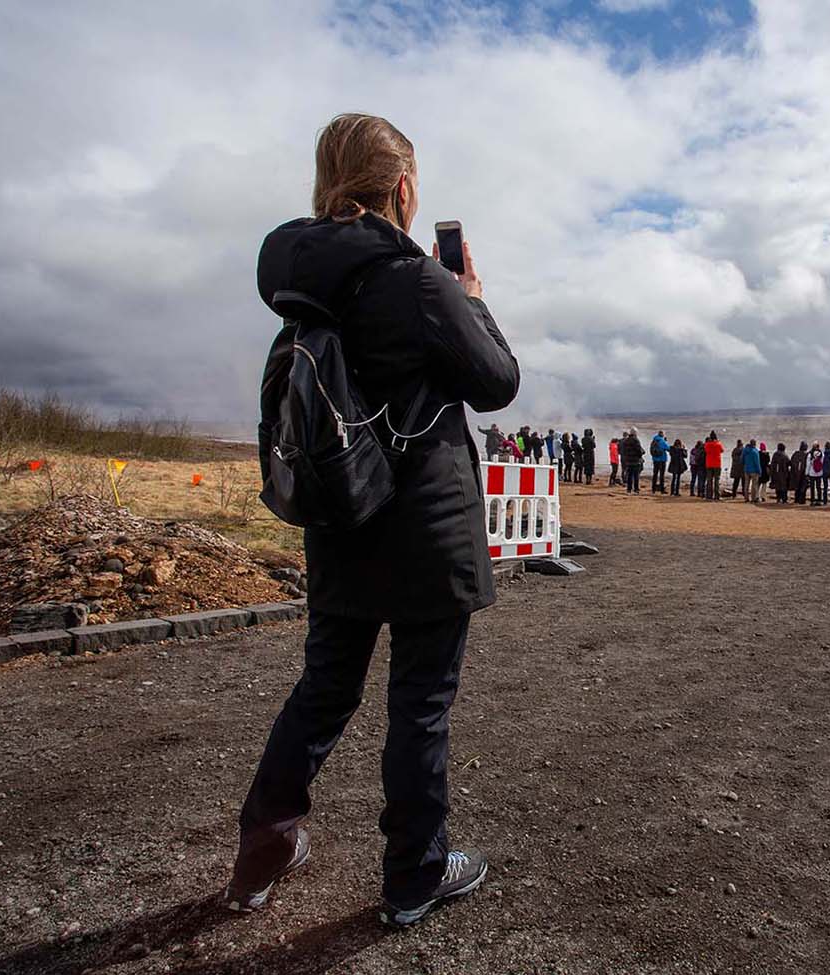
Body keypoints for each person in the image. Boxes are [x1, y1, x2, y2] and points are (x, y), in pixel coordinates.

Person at [234, 114, 518, 926]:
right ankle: (413, 877)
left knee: (325, 687)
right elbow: (496, 381)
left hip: (342, 512)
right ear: (402, 188)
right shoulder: (420, 282)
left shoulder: (302, 281)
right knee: (420, 702)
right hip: (426, 522)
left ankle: (265, 844)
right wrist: (472, 296)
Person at [620, 428, 645, 494]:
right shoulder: (636, 440)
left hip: (628, 461)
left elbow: (624, 451)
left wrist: (626, 458)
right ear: (635, 433)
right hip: (636, 460)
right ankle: (636, 490)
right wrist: (641, 455)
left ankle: (629, 490)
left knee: (629, 475)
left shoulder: (626, 441)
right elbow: (639, 450)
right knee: (636, 476)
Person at [704, 432, 725, 500]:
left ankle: (708, 496)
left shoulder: (707, 444)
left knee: (709, 480)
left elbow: (705, 450)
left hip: (709, 464)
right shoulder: (718, 444)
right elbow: (722, 450)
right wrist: (717, 442)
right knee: (716, 480)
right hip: (717, 464)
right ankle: (717, 496)